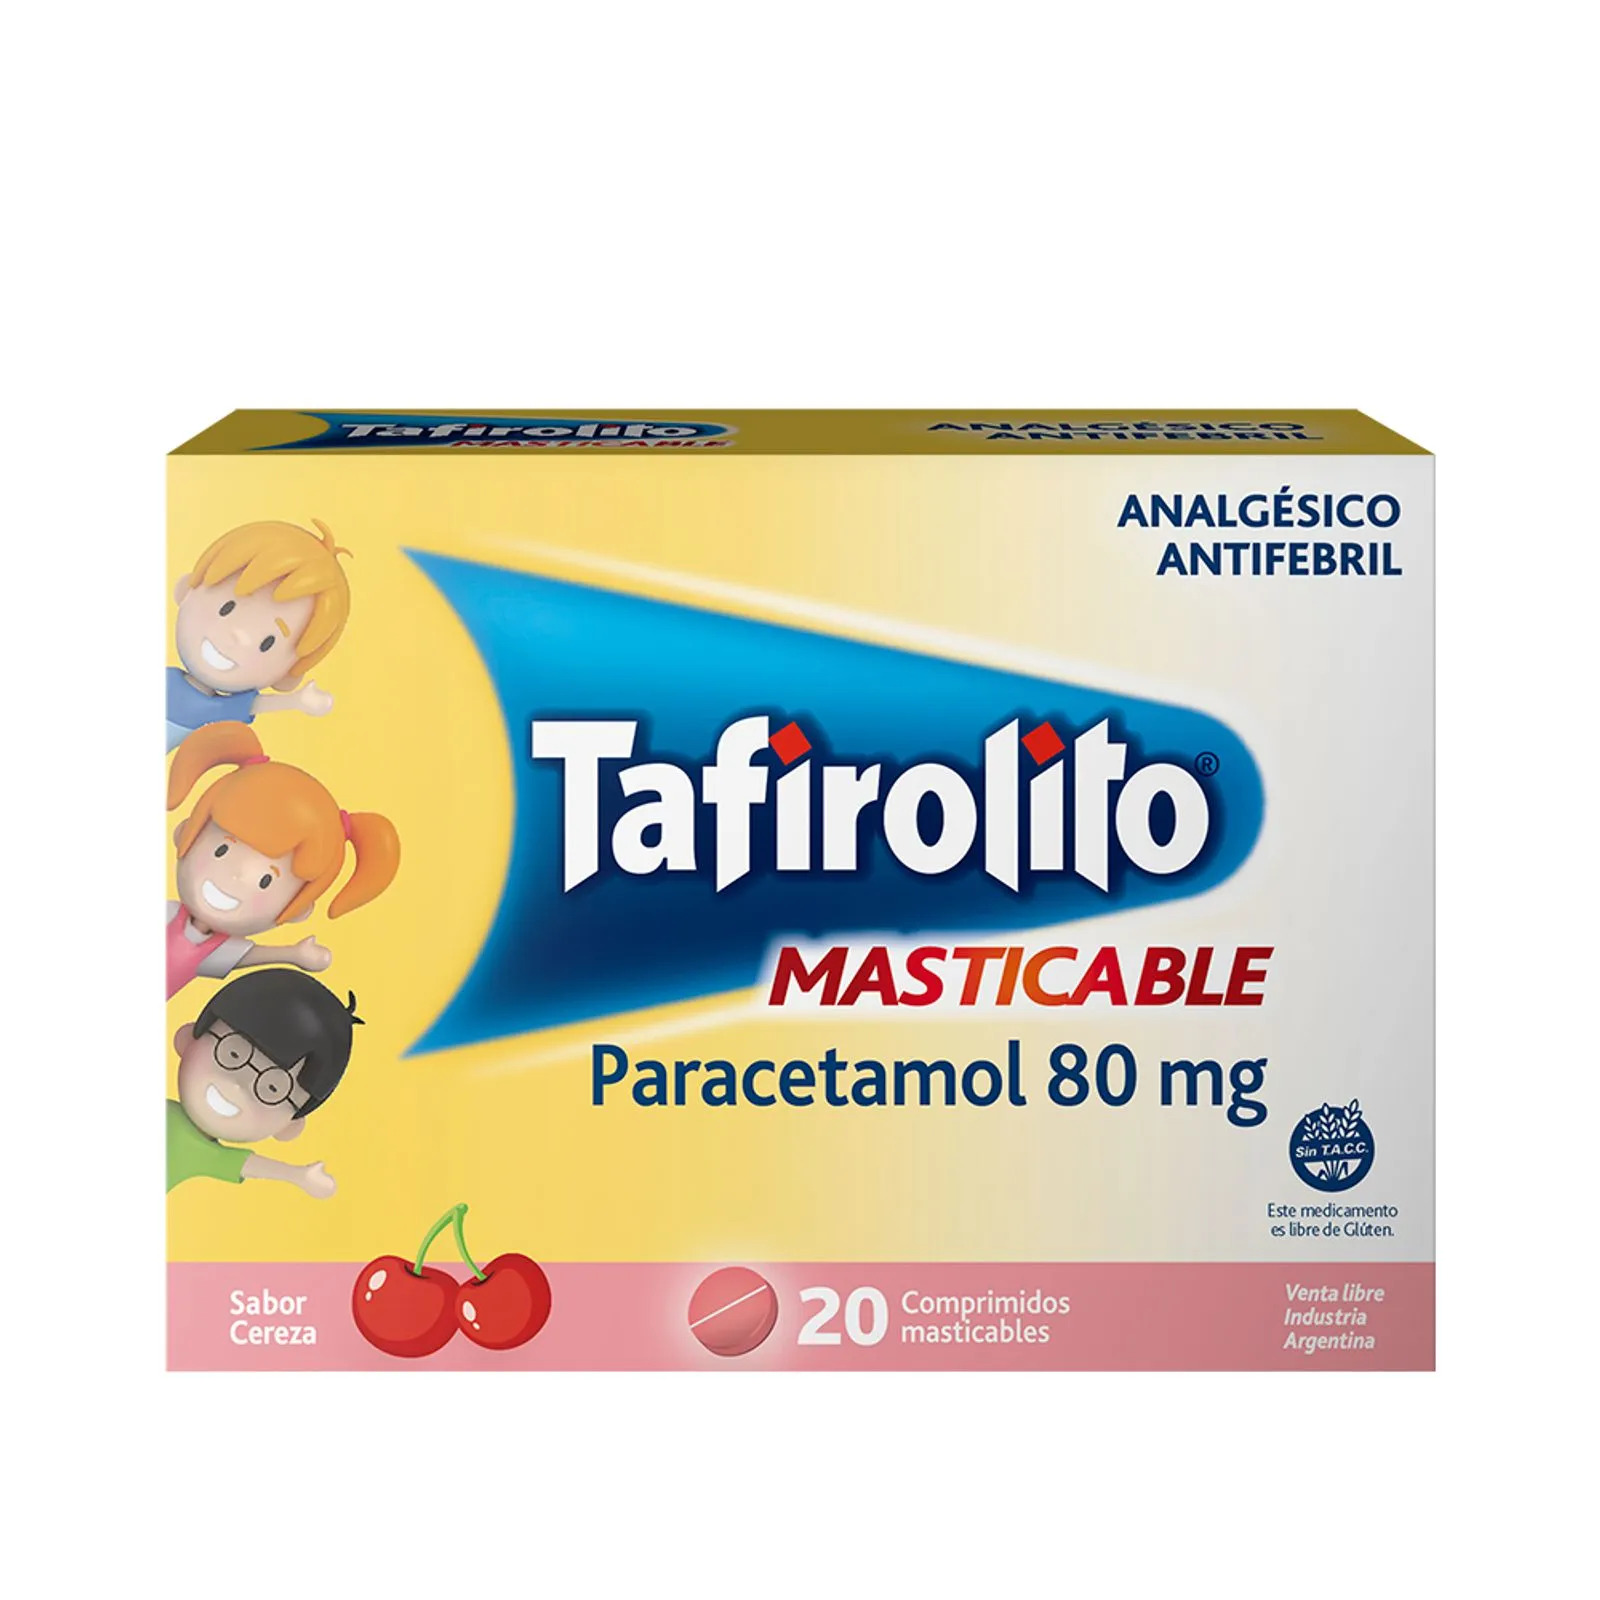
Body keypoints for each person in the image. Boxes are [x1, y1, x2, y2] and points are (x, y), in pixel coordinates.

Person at [166, 721, 400, 997]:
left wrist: (295, 954)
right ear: (184, 833)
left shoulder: (216, 948)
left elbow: (244, 957)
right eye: (222, 851)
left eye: (265, 880)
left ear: (298, 909)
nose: (235, 875)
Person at [167, 969, 363, 1196]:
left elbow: (244, 1164)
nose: (238, 1085)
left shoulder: (203, 1152)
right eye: (233, 1054)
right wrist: (299, 1176)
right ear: (187, 1039)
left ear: (288, 1127)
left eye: (273, 1088)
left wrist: (299, 1176)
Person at [167, 519, 351, 751]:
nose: (238, 636)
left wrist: (297, 701)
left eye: (267, 643)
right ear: (186, 589)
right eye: (227, 608)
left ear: (288, 675)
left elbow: (253, 705)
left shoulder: (217, 708)